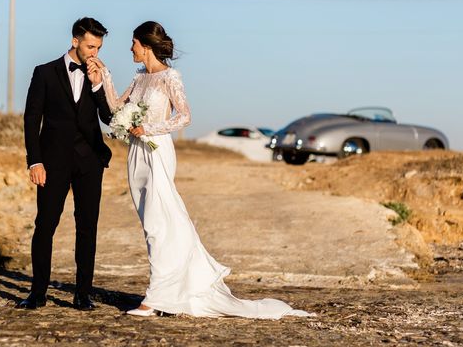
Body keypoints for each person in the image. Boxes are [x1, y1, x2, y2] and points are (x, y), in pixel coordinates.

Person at [91, 21, 311, 318]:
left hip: (157, 151)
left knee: (159, 222)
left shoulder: (171, 77)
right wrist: (102, 77)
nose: (130, 48)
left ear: (146, 45)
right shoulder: (140, 77)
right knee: (154, 222)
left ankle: (155, 298)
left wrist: (150, 128)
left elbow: (184, 117)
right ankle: (172, 290)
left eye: (133, 43)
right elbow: (117, 106)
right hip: (137, 154)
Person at [18, 17, 112, 310]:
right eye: (90, 46)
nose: (95, 52)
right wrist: (35, 161)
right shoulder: (44, 72)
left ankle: (82, 293)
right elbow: (32, 119)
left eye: (98, 46)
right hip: (53, 162)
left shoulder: (101, 74)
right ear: (75, 42)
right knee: (45, 225)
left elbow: (109, 118)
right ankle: (37, 293)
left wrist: (98, 86)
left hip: (89, 162)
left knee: (88, 227)